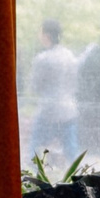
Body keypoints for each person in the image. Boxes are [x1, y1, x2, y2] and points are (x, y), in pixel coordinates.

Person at [25, 19, 81, 160]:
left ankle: (34, 177)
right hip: (69, 108)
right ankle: (76, 177)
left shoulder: (43, 59)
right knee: (71, 149)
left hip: (48, 109)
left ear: (46, 35)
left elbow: (35, 87)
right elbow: (75, 82)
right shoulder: (69, 55)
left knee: (35, 146)